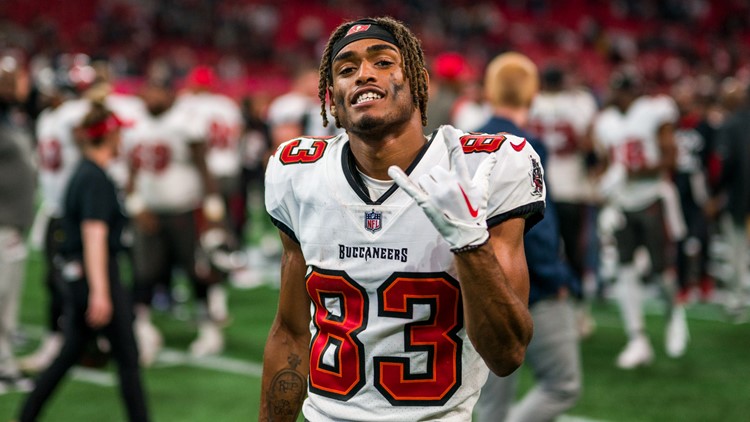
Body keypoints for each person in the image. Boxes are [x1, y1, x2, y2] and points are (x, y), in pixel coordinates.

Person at [260, 16, 543, 421]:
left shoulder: (482, 166)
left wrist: (470, 243)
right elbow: (289, 333)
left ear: (421, 84)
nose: (362, 75)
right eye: (346, 69)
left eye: (382, 61)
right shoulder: (298, 172)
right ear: (331, 98)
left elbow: (507, 354)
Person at [18, 98, 150, 421]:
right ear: (107, 136)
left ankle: (26, 415)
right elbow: (94, 237)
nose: (123, 140)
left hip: (83, 275)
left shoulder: (85, 172)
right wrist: (102, 291)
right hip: (96, 275)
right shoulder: (94, 177)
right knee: (126, 358)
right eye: (119, 134)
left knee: (74, 352)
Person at [473, 52, 582, 422]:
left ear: (488, 92)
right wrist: (556, 279)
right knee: (562, 384)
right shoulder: (526, 144)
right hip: (529, 284)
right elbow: (536, 229)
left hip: (477, 286)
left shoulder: (463, 141)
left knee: (488, 403)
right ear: (533, 96)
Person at [123, 74, 226, 364]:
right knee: (144, 273)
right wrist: (135, 205)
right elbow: (130, 171)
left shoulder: (185, 123)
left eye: (157, 89)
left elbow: (204, 167)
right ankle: (142, 331)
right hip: (149, 214)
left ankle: (208, 329)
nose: (151, 96)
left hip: (185, 211)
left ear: (169, 94)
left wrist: (213, 208)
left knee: (196, 270)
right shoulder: (135, 126)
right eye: (147, 89)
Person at [592, 67, 688, 369]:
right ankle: (637, 338)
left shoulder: (653, 113)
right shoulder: (606, 122)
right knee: (624, 269)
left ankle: (675, 314)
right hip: (622, 205)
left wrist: (630, 172)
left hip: (651, 200)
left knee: (661, 271)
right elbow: (607, 163)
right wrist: (605, 183)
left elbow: (671, 160)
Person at [0, 58, 36, 393]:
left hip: (12, 224)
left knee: (9, 298)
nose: (14, 88)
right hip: (1, 223)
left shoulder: (11, 118)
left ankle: (5, 363)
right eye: (7, 82)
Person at [711, 81, 750, 321]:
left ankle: (736, 299)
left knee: (736, 248)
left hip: (740, 196)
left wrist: (716, 192)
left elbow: (723, 165)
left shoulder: (731, 124)